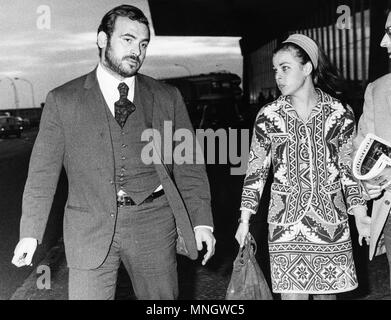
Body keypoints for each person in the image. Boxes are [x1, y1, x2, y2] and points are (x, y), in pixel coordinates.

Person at [11, 4, 215, 300]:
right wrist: (30, 233)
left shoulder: (167, 97)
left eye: (143, 44)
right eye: (128, 40)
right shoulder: (62, 101)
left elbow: (189, 166)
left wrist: (202, 221)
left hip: (154, 223)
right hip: (89, 227)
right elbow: (42, 174)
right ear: (102, 40)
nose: (137, 51)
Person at [235, 34, 370, 300]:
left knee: (326, 297)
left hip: (330, 222)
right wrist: (244, 219)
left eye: (285, 68)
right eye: (276, 70)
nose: (278, 76)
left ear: (307, 69)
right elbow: (256, 171)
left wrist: (360, 215)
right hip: (285, 223)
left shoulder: (340, 113)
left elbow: (348, 170)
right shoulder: (268, 116)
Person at [353, 10, 391, 291]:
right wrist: (368, 180)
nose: (382, 42)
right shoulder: (378, 90)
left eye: (390, 32)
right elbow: (359, 151)